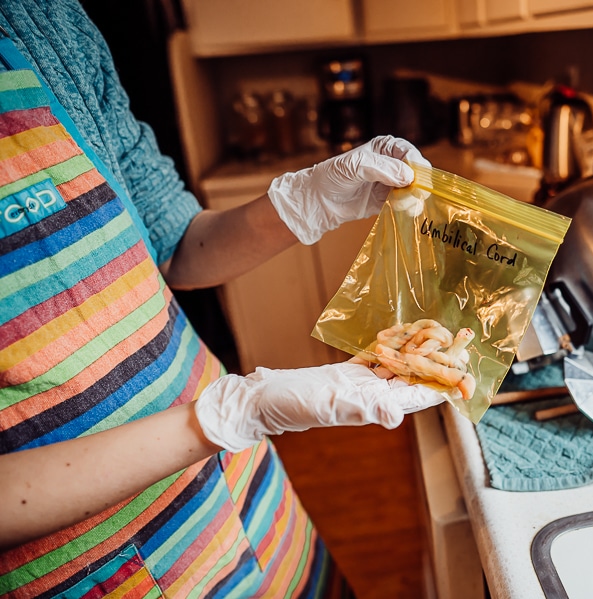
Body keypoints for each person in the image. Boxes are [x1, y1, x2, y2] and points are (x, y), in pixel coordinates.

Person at [0, 1, 443, 597]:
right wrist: (231, 414)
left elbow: (178, 245)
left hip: (238, 489)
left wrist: (305, 204)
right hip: (87, 569)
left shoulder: (45, 19)